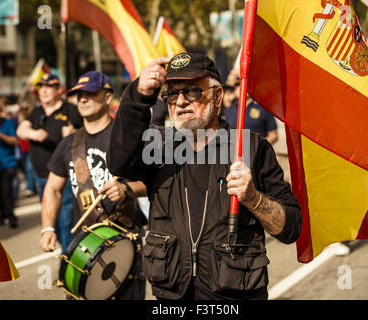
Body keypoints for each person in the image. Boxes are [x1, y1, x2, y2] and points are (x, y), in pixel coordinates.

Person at [107, 52, 302, 300]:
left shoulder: (251, 148)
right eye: (172, 94)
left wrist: (253, 199)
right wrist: (138, 95)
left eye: (192, 91)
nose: (180, 102)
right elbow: (119, 163)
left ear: (217, 96)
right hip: (171, 297)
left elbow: (291, 228)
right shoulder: (159, 146)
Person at [39, 71, 147, 300]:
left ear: (108, 97)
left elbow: (154, 183)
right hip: (86, 246)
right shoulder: (69, 144)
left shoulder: (127, 136)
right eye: (79, 95)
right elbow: (53, 188)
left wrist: (127, 189)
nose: (83, 99)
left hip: (126, 242)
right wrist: (48, 227)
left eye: (90, 93)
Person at [17, 73, 83, 251]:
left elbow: (88, 132)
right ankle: (66, 254)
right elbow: (21, 130)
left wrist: (74, 135)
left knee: (66, 221)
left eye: (49, 87)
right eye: (41, 88)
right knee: (50, 220)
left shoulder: (70, 110)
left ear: (59, 90)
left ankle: (70, 259)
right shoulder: (36, 111)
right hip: (41, 177)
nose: (44, 91)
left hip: (65, 176)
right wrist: (33, 134)